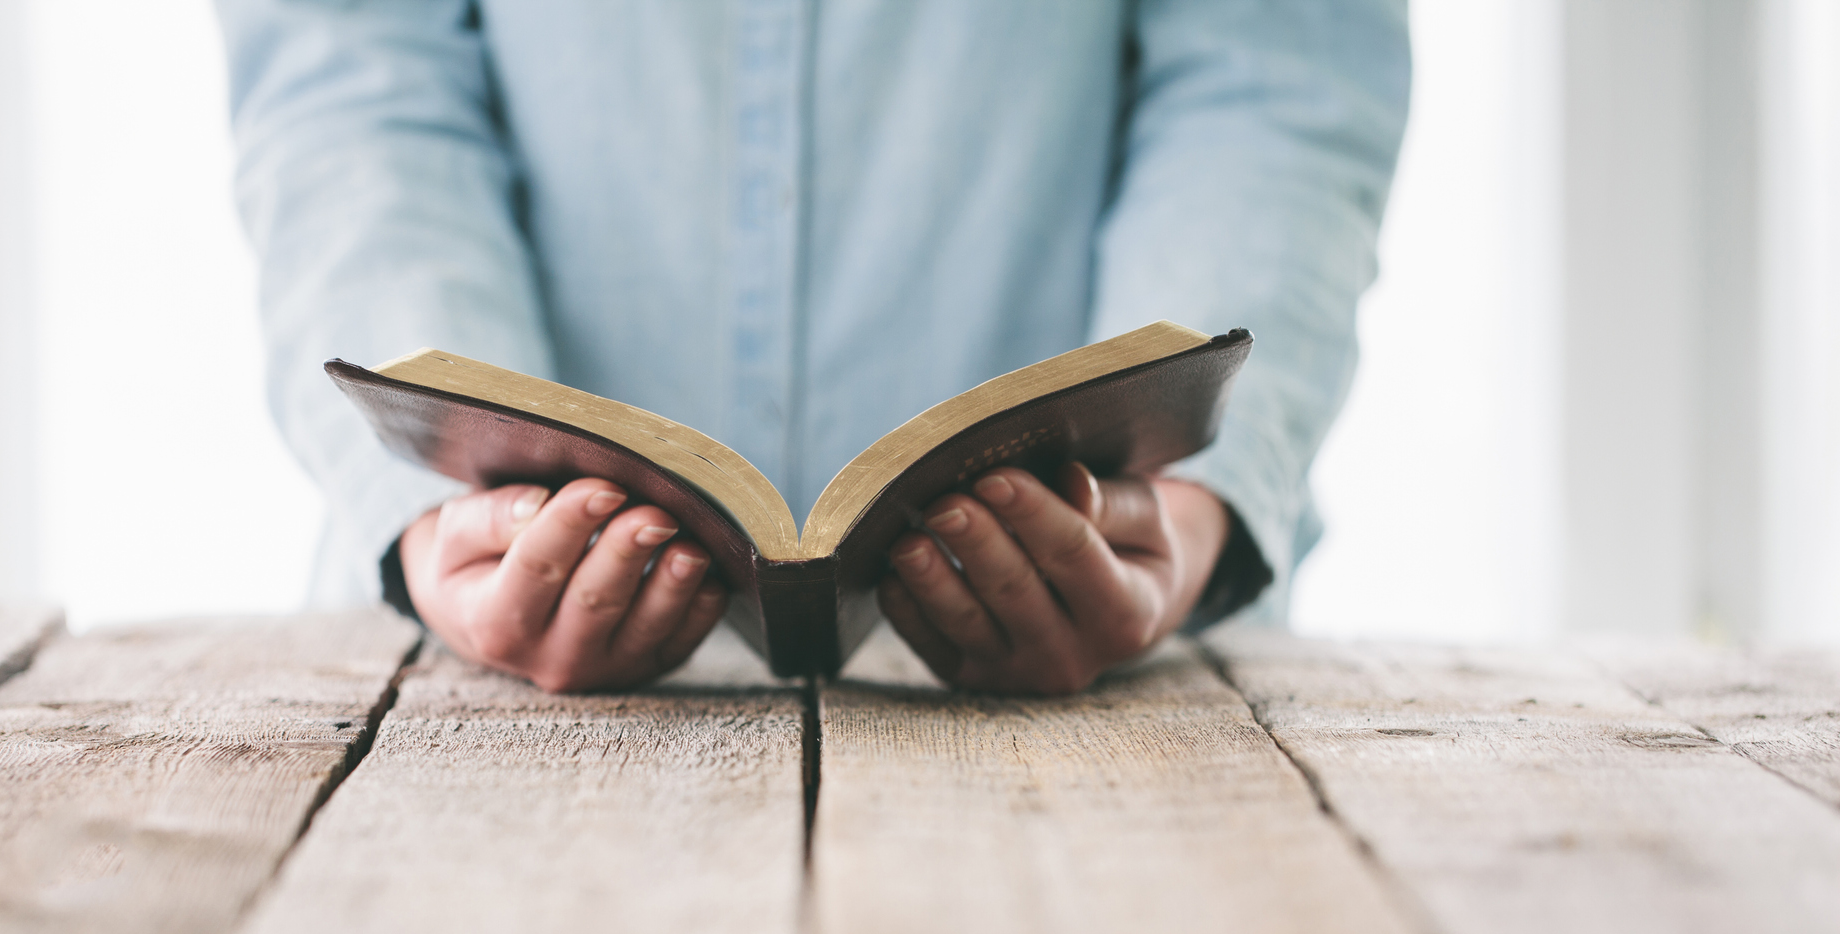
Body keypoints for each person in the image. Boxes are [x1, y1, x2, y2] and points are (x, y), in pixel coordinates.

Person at [216, 0, 1408, 693]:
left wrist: (1185, 508)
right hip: (463, 679)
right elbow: (351, 80)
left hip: (1111, 680)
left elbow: (1272, 79)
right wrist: (444, 515)